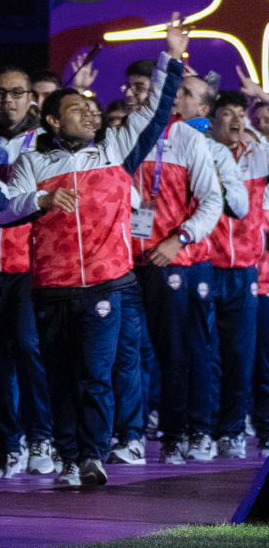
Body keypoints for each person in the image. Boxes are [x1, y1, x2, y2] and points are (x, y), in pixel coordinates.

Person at [0, 21, 192, 488]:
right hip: (52, 287)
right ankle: (68, 457)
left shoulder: (115, 150)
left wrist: (171, 58)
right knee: (59, 375)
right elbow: (6, 212)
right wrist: (18, 191)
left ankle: (92, 455)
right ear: (53, 121)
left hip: (107, 285)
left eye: (92, 109)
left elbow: (156, 110)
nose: (91, 115)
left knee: (95, 373)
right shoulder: (34, 162)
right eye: (78, 110)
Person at [122, 59, 225, 464]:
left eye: (141, 88)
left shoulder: (186, 138)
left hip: (169, 261)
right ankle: (129, 436)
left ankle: (176, 433)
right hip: (122, 262)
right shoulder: (121, 134)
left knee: (174, 352)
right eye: (130, 87)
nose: (132, 94)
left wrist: (179, 239)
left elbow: (212, 201)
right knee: (126, 352)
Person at [0, 66, 55, 476]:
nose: (8, 101)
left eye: (17, 93)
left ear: (31, 98)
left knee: (30, 351)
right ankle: (5, 445)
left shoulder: (45, 142)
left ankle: (41, 437)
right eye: (0, 93)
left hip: (31, 265)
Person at [201, 91, 262, 460]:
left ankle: (232, 430)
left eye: (242, 114)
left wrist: (262, 98)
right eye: (228, 113)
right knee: (206, 354)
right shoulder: (200, 151)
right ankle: (204, 429)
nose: (237, 121)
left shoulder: (260, 154)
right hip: (205, 265)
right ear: (213, 119)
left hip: (244, 271)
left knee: (240, 355)